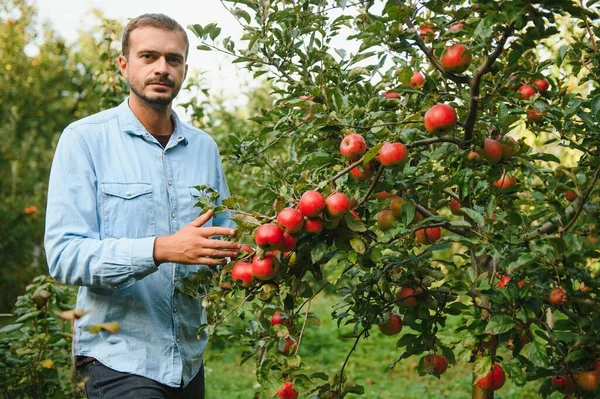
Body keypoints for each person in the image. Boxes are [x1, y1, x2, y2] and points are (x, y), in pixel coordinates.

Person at [44, 13, 240, 399]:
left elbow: (224, 237)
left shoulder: (204, 149)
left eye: (173, 59)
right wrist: (159, 249)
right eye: (148, 56)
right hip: (116, 356)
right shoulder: (85, 140)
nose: (161, 69)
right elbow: (64, 255)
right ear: (124, 65)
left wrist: (265, 245)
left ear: (185, 69)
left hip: (187, 361)